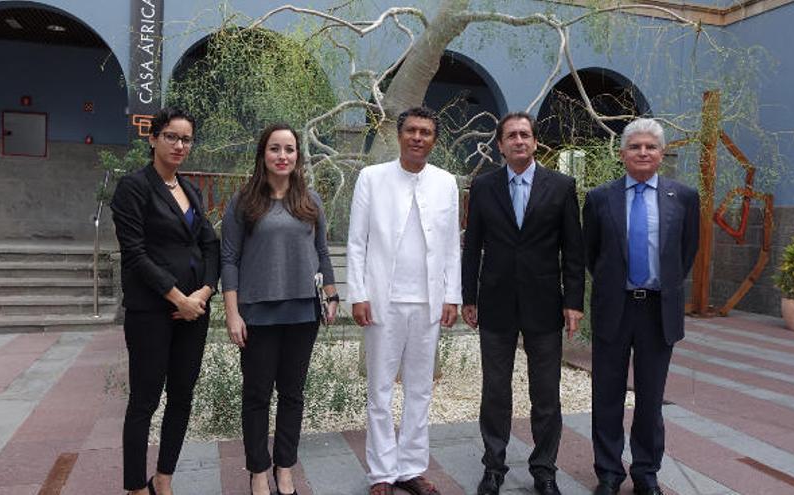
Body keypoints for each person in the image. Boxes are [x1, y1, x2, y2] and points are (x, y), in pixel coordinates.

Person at [461, 111, 585, 495]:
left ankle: (544, 469)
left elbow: (573, 250)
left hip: (545, 304)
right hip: (495, 303)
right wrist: (468, 296)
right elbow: (472, 247)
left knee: (546, 394)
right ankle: (493, 467)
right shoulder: (483, 186)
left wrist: (574, 302)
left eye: (525, 135)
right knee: (495, 391)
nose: (519, 140)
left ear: (535, 143)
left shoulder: (561, 186)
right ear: (500, 144)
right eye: (511, 135)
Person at [347, 107, 461, 495]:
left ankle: (411, 467)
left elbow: (451, 247)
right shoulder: (372, 178)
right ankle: (380, 471)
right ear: (399, 136)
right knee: (379, 388)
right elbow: (356, 241)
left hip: (428, 302)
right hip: (382, 301)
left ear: (434, 139)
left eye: (425, 132)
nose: (417, 137)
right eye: (411, 130)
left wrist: (452, 296)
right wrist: (358, 293)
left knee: (420, 389)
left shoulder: (446, 183)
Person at [582, 118, 699, 495]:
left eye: (650, 147)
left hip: (657, 312)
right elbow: (592, 253)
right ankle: (609, 473)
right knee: (607, 394)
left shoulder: (682, 197)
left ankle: (646, 472)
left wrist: (661, 284)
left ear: (662, 154)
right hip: (614, 308)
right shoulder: (600, 198)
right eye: (635, 147)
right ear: (622, 154)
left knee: (650, 398)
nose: (643, 152)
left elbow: (686, 252)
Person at [221, 123, 338, 495]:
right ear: (263, 154)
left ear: (297, 156)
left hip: (303, 313)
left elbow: (322, 252)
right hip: (256, 314)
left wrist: (332, 297)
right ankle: (257, 470)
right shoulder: (243, 201)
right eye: (275, 148)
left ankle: (284, 467)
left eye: (289, 149)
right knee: (256, 395)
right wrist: (232, 312)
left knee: (293, 394)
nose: (282, 156)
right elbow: (229, 259)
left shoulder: (311, 201)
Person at [111, 107, 220, 495]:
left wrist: (204, 293)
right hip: (152, 312)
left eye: (186, 139)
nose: (179, 145)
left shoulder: (189, 189)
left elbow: (209, 244)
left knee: (182, 397)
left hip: (194, 311)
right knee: (145, 400)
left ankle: (164, 479)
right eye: (171, 136)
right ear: (153, 138)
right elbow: (136, 254)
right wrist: (177, 297)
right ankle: (135, 487)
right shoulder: (134, 187)